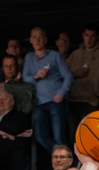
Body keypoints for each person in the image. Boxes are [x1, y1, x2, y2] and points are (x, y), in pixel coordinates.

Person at [24, 27, 73, 155]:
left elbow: (68, 76)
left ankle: (68, 166)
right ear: (30, 40)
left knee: (59, 137)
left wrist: (61, 94)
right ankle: (66, 159)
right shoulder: (29, 58)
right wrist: (36, 76)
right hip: (39, 103)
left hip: (55, 101)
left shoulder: (55, 55)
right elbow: (25, 79)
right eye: (34, 37)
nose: (37, 40)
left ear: (45, 40)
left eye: (40, 37)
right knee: (39, 136)